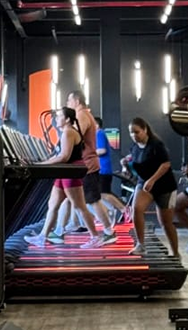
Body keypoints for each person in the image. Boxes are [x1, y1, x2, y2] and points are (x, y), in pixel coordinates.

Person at [25, 107, 103, 249]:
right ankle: (42, 237)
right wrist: (41, 163)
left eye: (59, 116)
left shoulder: (68, 132)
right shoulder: (67, 132)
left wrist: (41, 165)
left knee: (80, 207)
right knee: (53, 205)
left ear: (67, 119)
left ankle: (95, 237)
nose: (55, 119)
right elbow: (60, 156)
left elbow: (64, 157)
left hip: (70, 172)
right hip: (64, 171)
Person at [122, 117, 179, 257]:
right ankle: (141, 245)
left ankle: (176, 253)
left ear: (145, 130)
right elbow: (135, 162)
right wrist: (126, 165)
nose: (134, 135)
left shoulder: (156, 145)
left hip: (164, 185)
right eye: (131, 133)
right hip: (144, 182)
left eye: (137, 132)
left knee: (165, 222)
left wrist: (153, 180)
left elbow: (166, 164)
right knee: (137, 209)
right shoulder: (134, 147)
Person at [66, 91, 117, 243]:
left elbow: (76, 137)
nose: (67, 104)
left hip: (87, 163)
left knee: (92, 200)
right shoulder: (85, 115)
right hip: (86, 163)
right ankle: (67, 227)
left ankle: (108, 230)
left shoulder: (81, 115)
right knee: (75, 200)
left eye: (69, 101)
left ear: (77, 101)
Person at [94, 117, 126, 222]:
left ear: (96, 125)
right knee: (100, 194)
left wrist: (90, 153)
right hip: (100, 168)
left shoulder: (99, 133)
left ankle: (124, 209)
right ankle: (109, 212)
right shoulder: (98, 134)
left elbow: (102, 150)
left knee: (104, 193)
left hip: (103, 168)